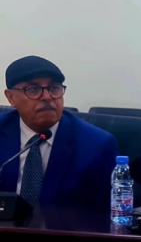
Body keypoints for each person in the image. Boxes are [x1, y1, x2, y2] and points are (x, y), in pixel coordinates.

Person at [0, 55, 118, 209]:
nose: (47, 97)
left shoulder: (96, 145)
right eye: (33, 89)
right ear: (11, 97)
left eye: (54, 88)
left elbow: (107, 214)